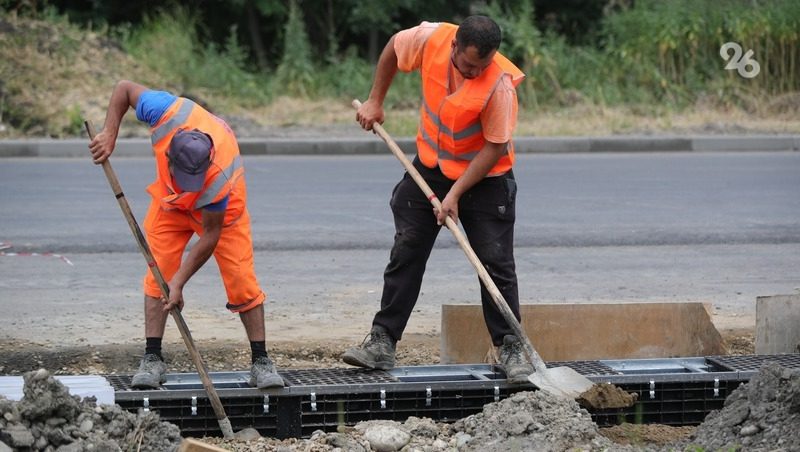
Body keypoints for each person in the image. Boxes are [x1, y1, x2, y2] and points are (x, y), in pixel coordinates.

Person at [343, 16, 533, 383]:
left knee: (494, 263)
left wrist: (455, 194)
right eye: (469, 64)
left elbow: (494, 148)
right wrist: (375, 100)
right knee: (408, 249)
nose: (476, 72)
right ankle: (382, 342)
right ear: (454, 48)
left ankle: (510, 346)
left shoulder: (500, 86)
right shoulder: (430, 39)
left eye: (483, 65)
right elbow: (393, 49)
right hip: (430, 166)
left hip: (486, 177)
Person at [88, 80, 284, 389]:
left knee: (241, 280)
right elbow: (124, 89)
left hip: (222, 216)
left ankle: (261, 361)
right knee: (158, 273)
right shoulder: (164, 112)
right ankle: (152, 358)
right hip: (170, 206)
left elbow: (209, 237)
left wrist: (179, 283)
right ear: (169, 156)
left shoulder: (218, 178)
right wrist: (109, 134)